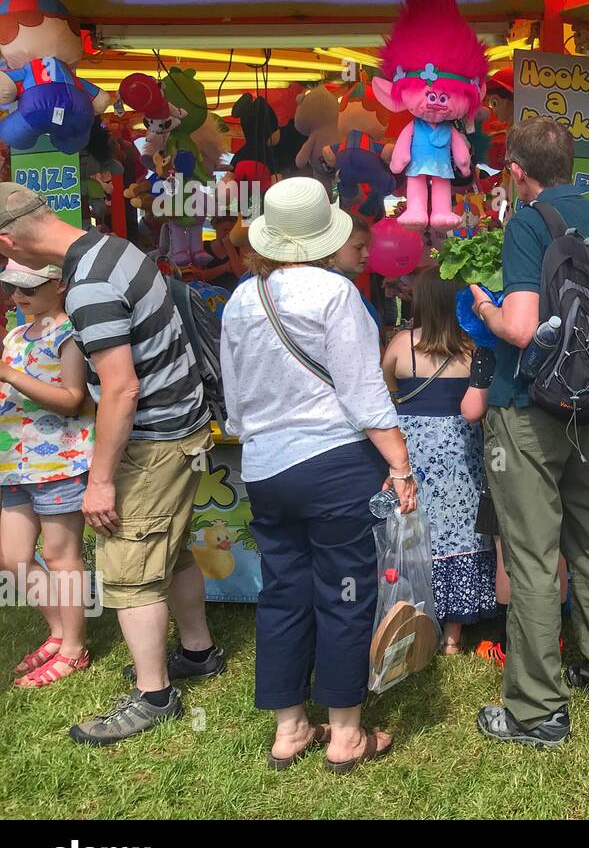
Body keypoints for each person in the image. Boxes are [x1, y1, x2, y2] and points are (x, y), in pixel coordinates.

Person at [0, 182, 223, 746]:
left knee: (128, 569)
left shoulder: (89, 285)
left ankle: (154, 695)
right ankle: (198, 651)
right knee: (171, 552)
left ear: (9, 242)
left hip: (152, 440)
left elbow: (120, 390)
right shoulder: (111, 246)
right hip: (184, 426)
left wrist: (99, 481)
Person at [220, 177, 418, 772]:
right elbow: (363, 391)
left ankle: (288, 730)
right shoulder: (336, 293)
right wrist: (400, 464)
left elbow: (233, 399)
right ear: (323, 237)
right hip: (334, 463)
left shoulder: (240, 298)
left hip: (264, 466)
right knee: (345, 593)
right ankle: (345, 735)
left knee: (282, 593)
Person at [469, 116, 589, 747]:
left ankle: (537, 709)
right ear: (574, 164)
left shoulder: (525, 223)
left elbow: (519, 327)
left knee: (534, 556)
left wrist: (483, 305)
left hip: (527, 408)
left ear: (518, 173)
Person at [382, 269, 495, 655]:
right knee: (464, 532)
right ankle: (452, 636)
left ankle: (413, 620)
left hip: (413, 453)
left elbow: (386, 391)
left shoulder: (401, 345)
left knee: (416, 530)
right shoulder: (474, 348)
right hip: (465, 451)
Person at [0, 261, 96, 686]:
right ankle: (59, 630)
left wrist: (8, 373)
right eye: (12, 287)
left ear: (60, 285)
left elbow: (73, 399)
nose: (18, 296)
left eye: (29, 287)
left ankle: (74, 647)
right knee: (12, 558)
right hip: (13, 464)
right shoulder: (15, 336)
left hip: (60, 462)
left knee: (61, 557)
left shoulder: (70, 334)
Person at [332, 213, 382, 330]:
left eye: (367, 247)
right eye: (359, 247)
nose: (366, 254)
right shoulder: (338, 288)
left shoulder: (341, 284)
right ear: (334, 245)